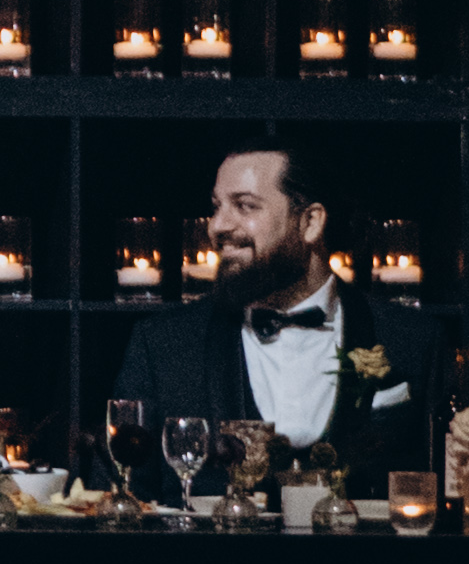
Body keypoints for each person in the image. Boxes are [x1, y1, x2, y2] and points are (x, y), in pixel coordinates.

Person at [111, 145, 443, 499]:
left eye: (245, 205)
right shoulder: (164, 344)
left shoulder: (411, 339)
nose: (217, 226)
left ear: (310, 222)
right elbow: (121, 499)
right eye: (217, 206)